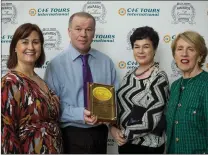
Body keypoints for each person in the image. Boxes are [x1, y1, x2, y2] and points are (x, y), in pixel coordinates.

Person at [44, 12, 118, 154]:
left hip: (100, 134)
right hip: (71, 134)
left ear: (94, 33)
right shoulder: (55, 66)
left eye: (88, 29)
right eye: (78, 29)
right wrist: (80, 114)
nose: (83, 34)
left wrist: (111, 120)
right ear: (69, 31)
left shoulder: (106, 62)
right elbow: (51, 109)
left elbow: (115, 99)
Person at [1, 23, 63, 153]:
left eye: (35, 42)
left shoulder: (42, 81)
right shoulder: (10, 83)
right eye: (25, 42)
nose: (31, 47)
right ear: (15, 47)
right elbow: (5, 134)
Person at [109, 26, 169, 154]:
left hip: (148, 146)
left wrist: (125, 134)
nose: (140, 51)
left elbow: (153, 118)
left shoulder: (159, 77)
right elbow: (120, 107)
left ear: (155, 49)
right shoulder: (129, 74)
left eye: (146, 46)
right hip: (125, 143)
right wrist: (113, 128)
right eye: (137, 46)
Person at [166, 31, 208, 154]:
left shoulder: (206, 84)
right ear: (175, 56)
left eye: (191, 49)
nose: (184, 54)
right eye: (180, 49)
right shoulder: (174, 86)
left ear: (200, 56)